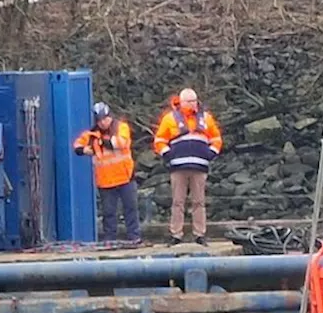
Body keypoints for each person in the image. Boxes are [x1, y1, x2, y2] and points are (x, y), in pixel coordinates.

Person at [154, 88, 222, 246]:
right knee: (178, 202)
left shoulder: (206, 118)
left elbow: (217, 138)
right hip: (178, 167)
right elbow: (159, 140)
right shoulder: (170, 119)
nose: (193, 104)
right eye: (189, 101)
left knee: (199, 201)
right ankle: (176, 234)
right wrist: (168, 154)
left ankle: (200, 234)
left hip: (200, 166)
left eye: (194, 100)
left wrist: (210, 153)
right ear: (181, 102)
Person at [75, 102, 141, 244]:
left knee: (131, 209)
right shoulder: (92, 134)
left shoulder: (121, 127)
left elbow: (119, 143)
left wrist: (99, 142)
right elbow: (77, 146)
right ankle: (109, 240)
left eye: (105, 119)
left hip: (125, 177)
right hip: (105, 180)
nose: (103, 122)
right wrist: (84, 150)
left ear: (110, 116)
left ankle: (134, 238)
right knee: (108, 213)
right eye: (100, 120)